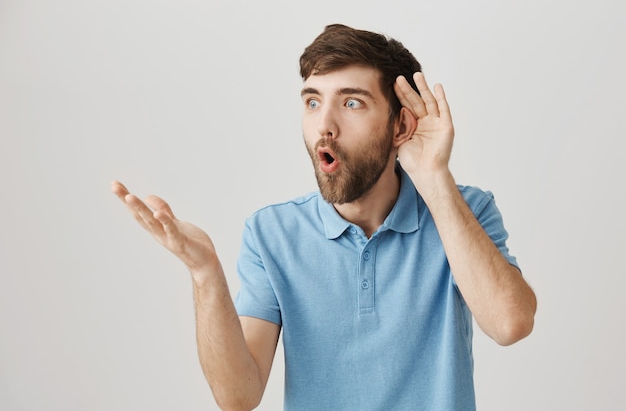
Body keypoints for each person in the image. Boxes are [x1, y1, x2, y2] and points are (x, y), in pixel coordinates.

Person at [112, 23, 537, 411]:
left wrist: (434, 178)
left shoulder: (465, 210)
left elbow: (510, 324)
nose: (324, 126)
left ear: (401, 125)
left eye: (352, 102)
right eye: (313, 102)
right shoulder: (271, 233)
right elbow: (238, 396)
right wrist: (204, 271)